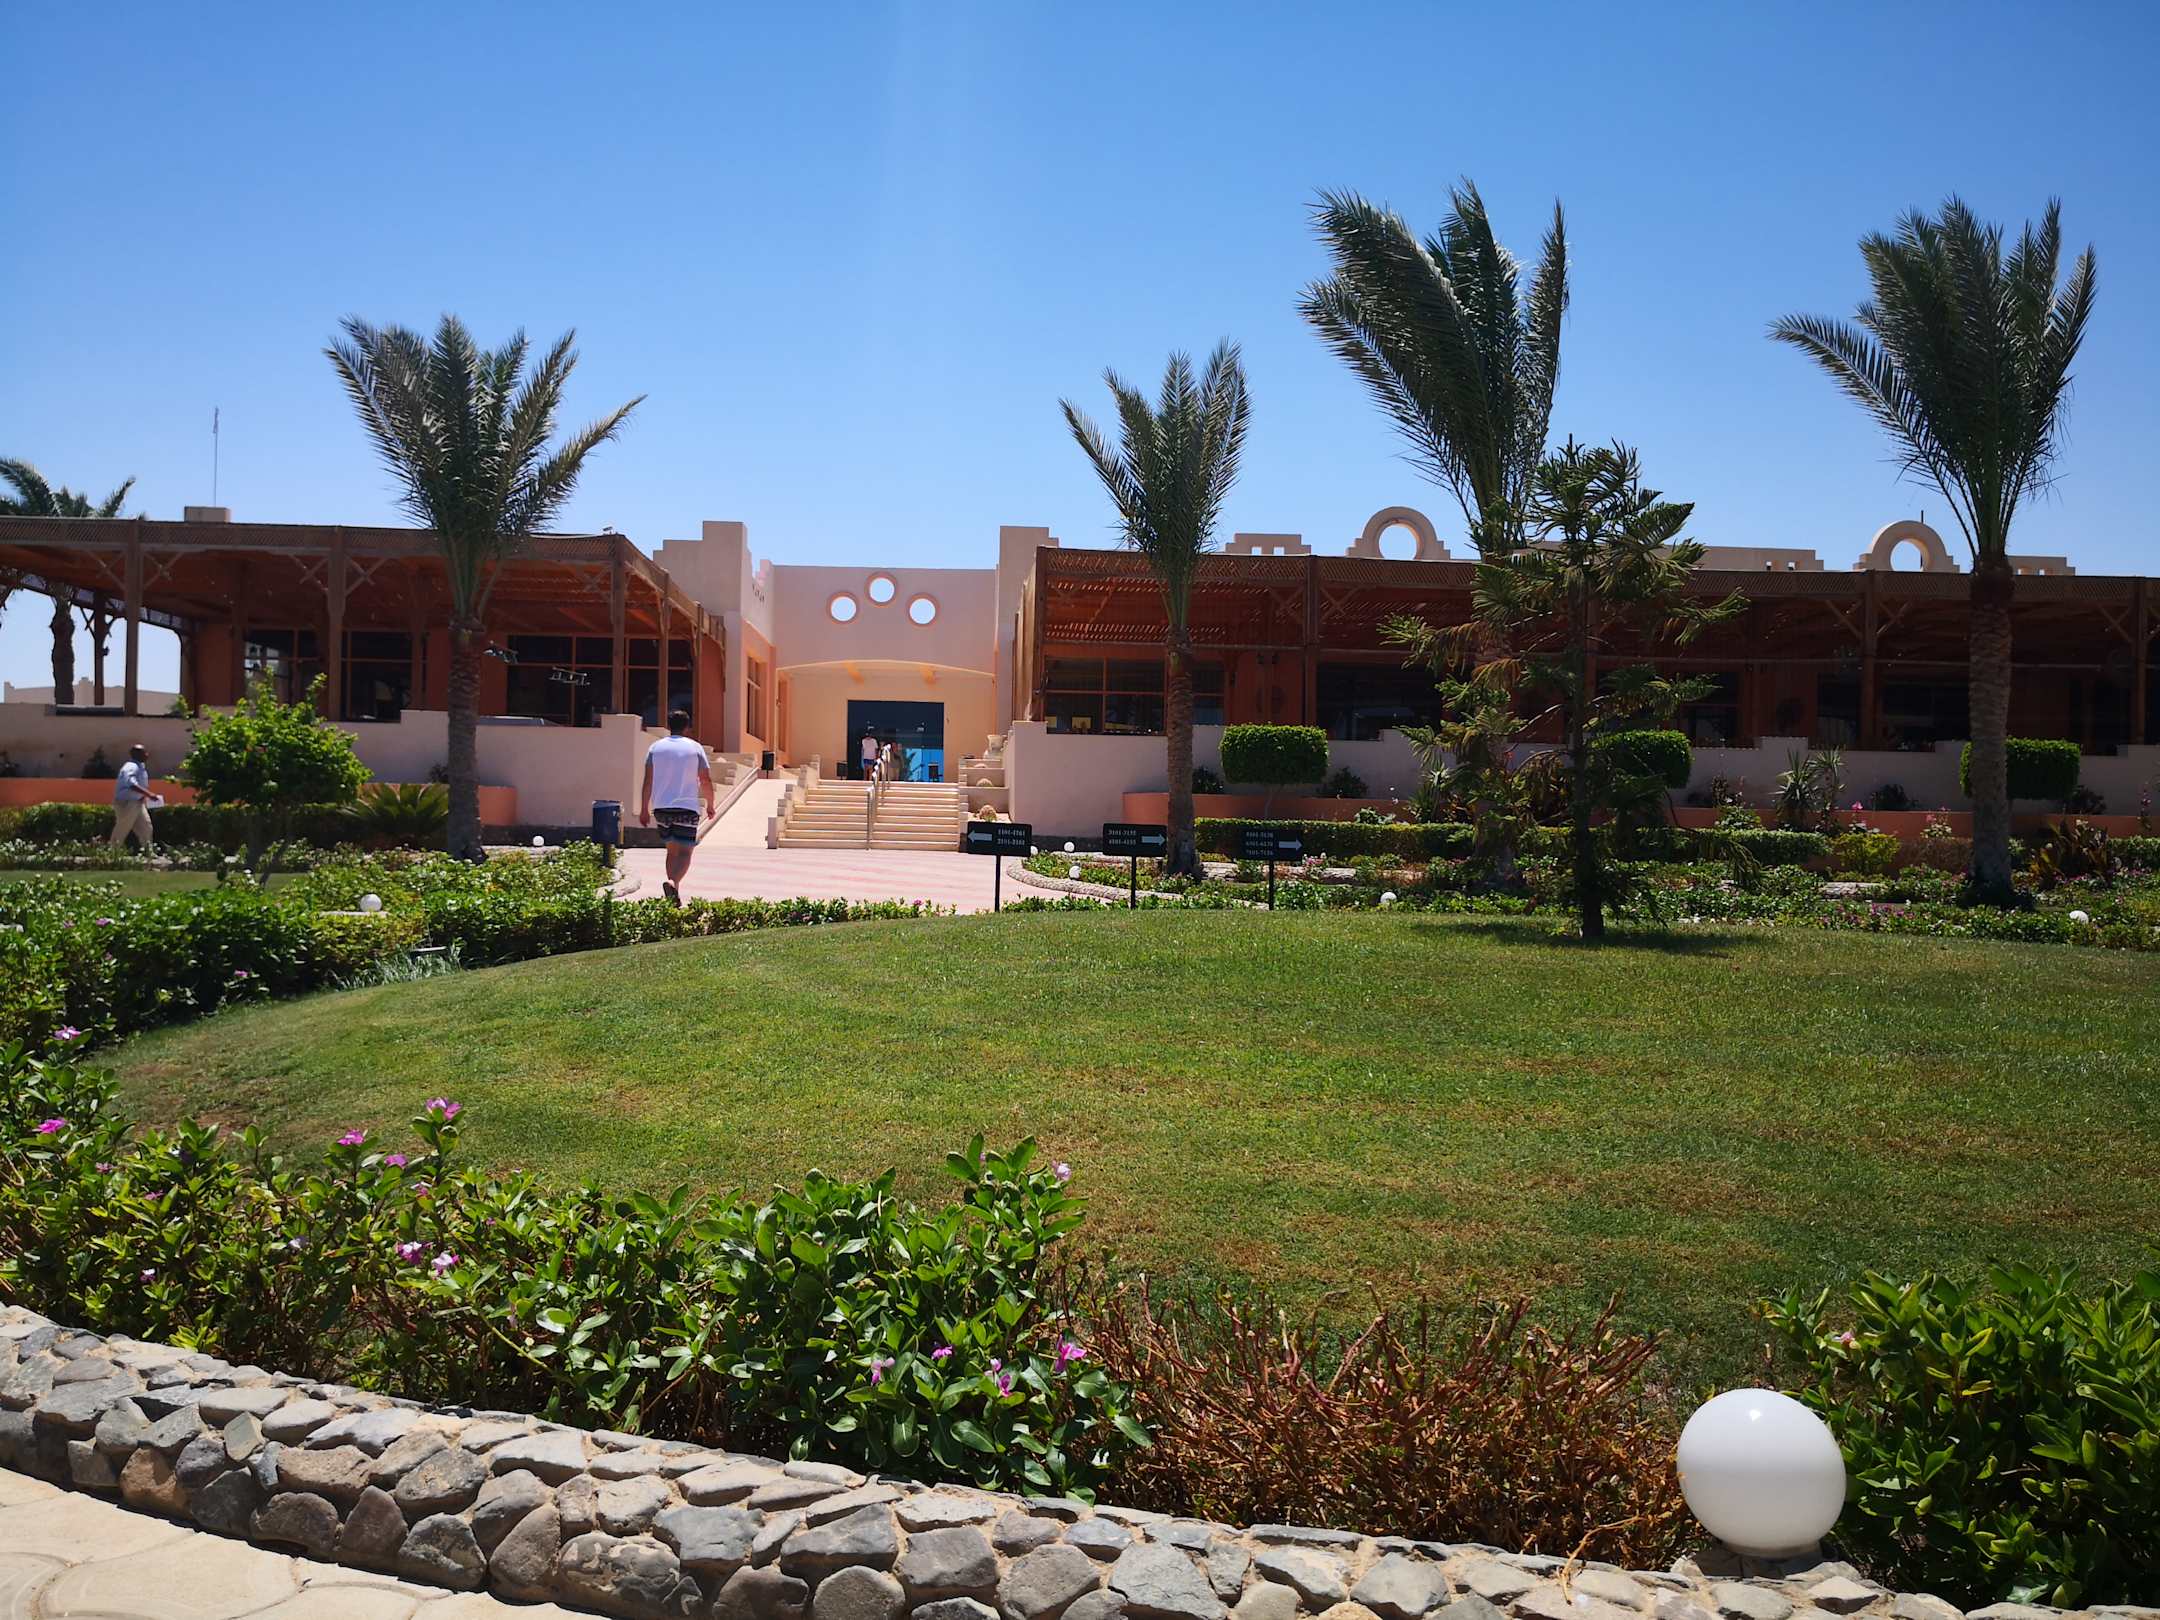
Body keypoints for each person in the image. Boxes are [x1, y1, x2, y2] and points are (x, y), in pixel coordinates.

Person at [638, 710, 714, 905]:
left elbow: (648, 781)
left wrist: (644, 808)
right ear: (687, 727)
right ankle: (673, 881)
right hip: (687, 808)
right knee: (686, 852)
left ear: (669, 725)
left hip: (661, 808)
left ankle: (674, 893)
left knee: (671, 851)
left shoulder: (655, 748)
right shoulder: (695, 748)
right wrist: (710, 804)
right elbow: (705, 779)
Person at [109, 743, 155, 850]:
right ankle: (113, 852)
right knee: (123, 827)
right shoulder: (131, 766)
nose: (147, 754)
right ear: (137, 755)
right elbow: (130, 783)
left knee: (146, 827)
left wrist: (142, 796)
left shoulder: (140, 767)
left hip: (137, 802)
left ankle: (148, 852)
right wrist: (148, 794)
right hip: (127, 802)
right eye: (144, 752)